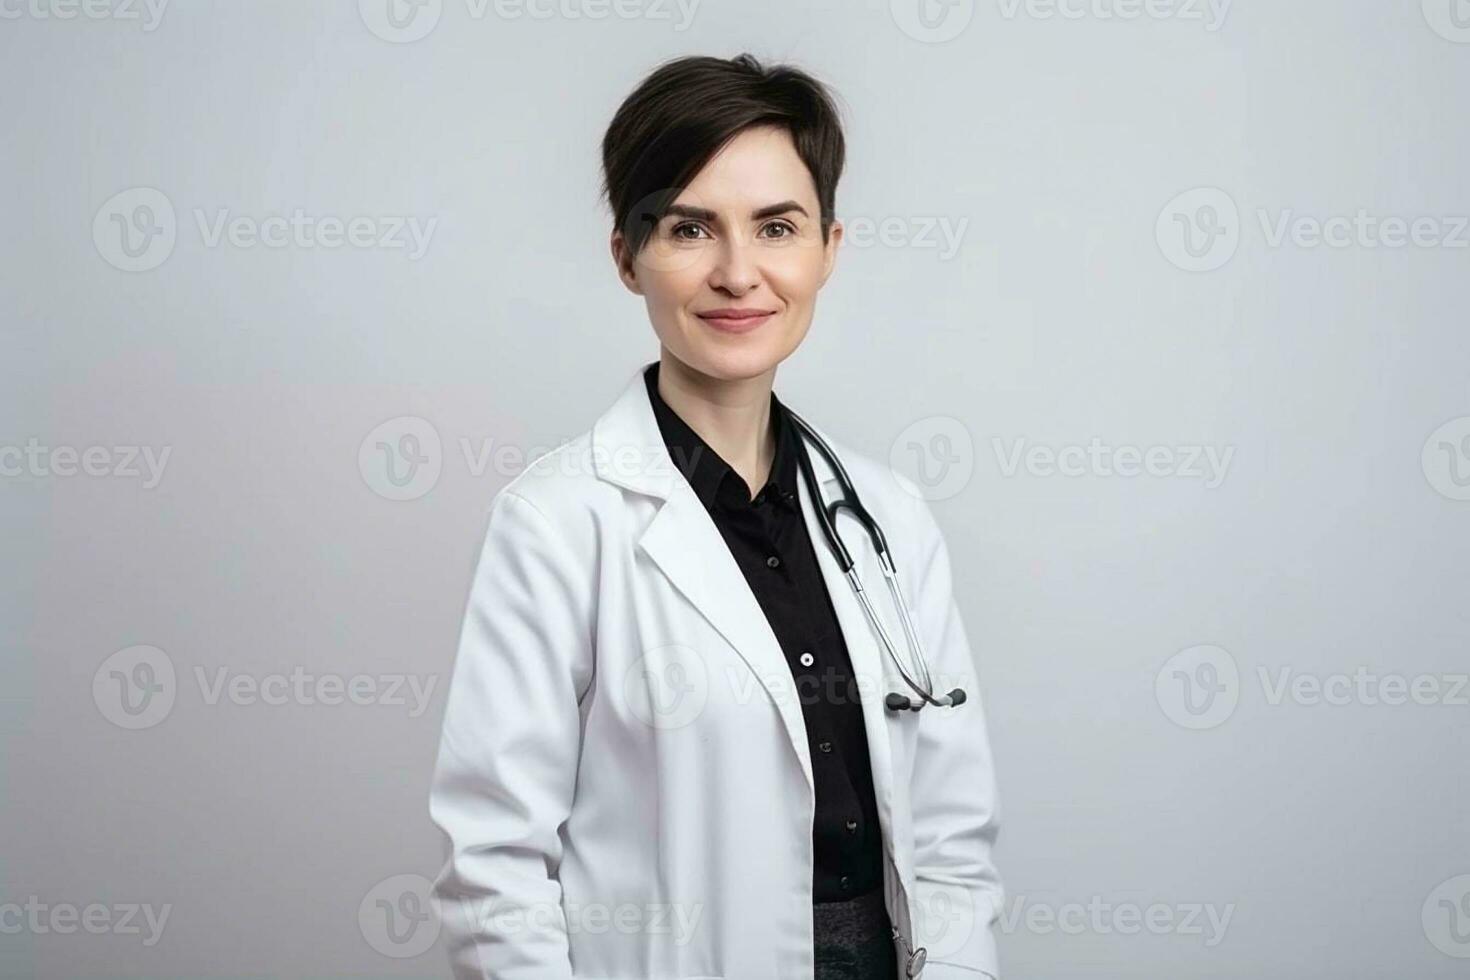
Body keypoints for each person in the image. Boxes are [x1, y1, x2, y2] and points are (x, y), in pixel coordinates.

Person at [429, 53, 1003, 980]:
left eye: (777, 227)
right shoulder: (557, 524)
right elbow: (493, 868)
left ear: (828, 247)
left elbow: (951, 832)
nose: (741, 274)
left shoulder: (889, 519)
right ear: (627, 256)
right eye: (690, 229)